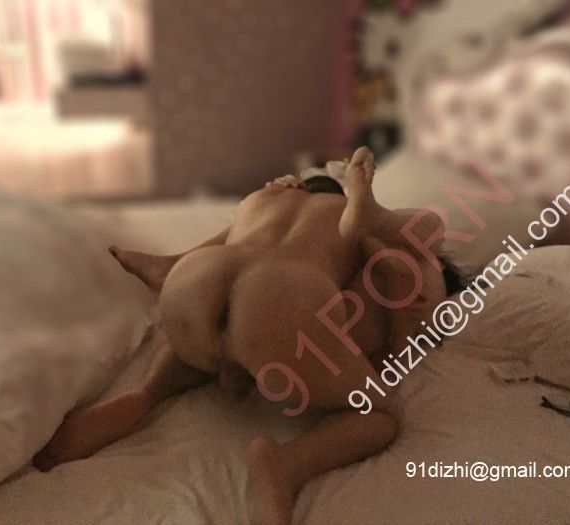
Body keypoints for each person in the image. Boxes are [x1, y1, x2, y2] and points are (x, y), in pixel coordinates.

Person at [34, 147, 452, 525]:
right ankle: (283, 465)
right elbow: (400, 277)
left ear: (298, 186)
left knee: (218, 332)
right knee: (379, 415)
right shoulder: (348, 227)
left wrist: (153, 265)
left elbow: (173, 266)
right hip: (281, 299)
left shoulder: (261, 200)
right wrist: (394, 344)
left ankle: (144, 394)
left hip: (192, 285)